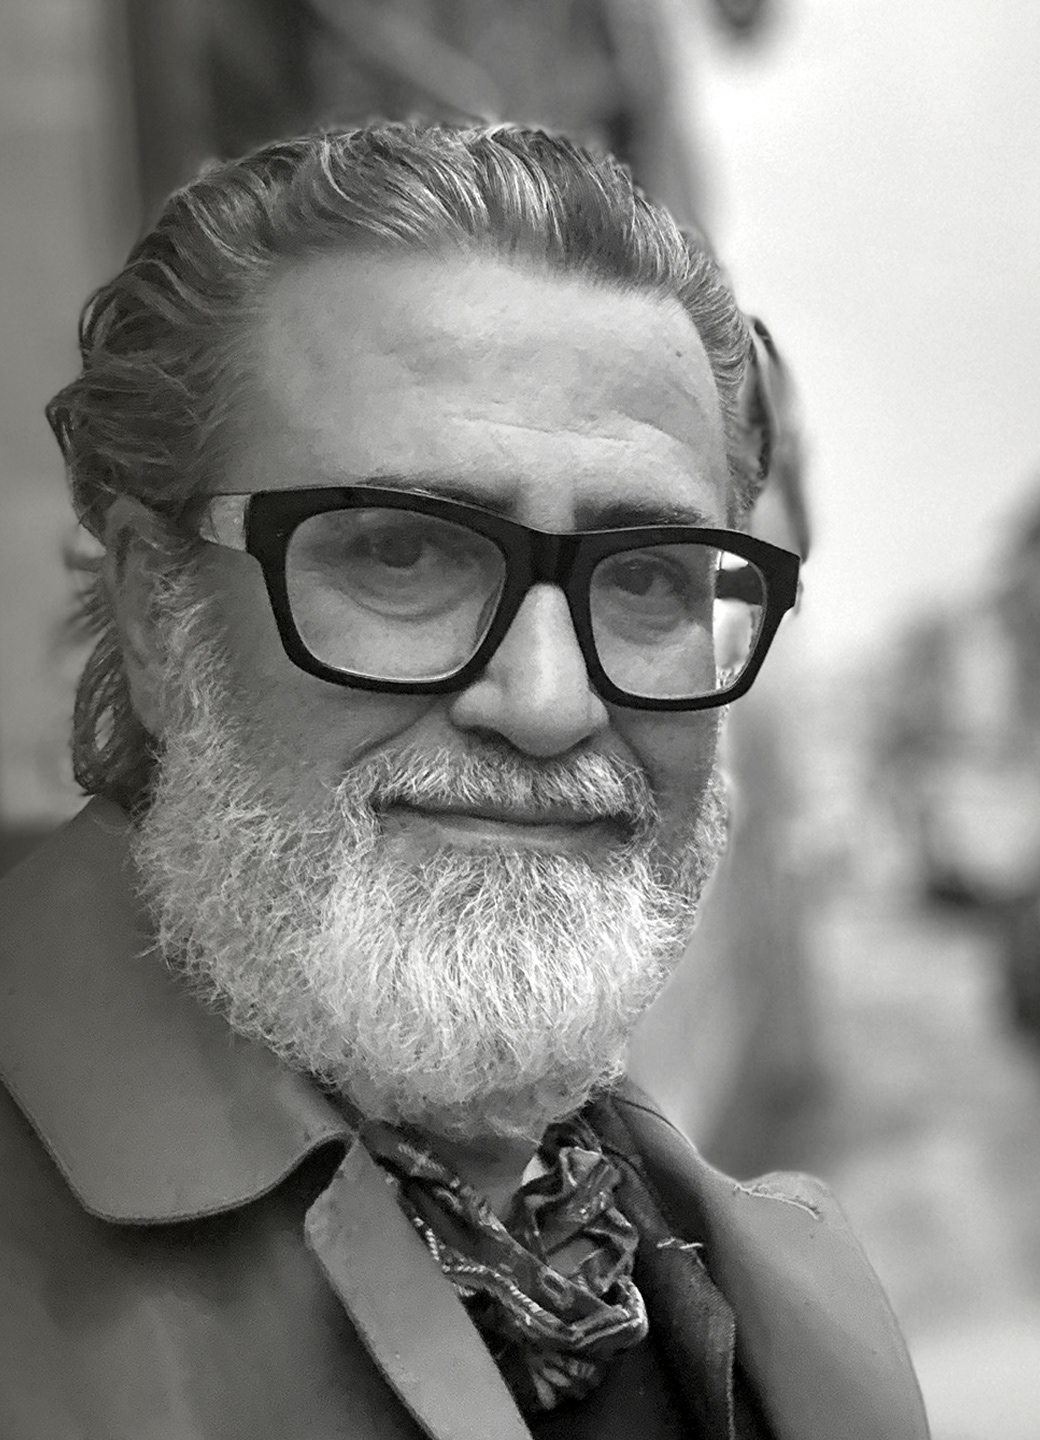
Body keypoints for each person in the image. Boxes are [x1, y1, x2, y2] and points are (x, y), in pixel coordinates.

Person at [0, 120, 927, 1440]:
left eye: (647, 577)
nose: (549, 705)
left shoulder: (802, 1319)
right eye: (402, 555)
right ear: (159, 613)